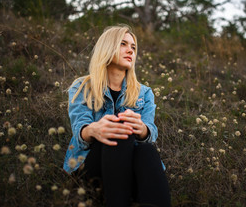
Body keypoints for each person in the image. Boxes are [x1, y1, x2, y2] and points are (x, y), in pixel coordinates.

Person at [63, 25, 171, 207]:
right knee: (118, 128)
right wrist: (94, 130)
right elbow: (79, 129)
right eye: (123, 44)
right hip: (91, 169)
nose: (130, 50)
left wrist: (142, 129)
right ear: (107, 47)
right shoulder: (82, 87)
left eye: (133, 47)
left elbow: (150, 131)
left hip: (130, 171)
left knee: (147, 150)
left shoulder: (143, 93)